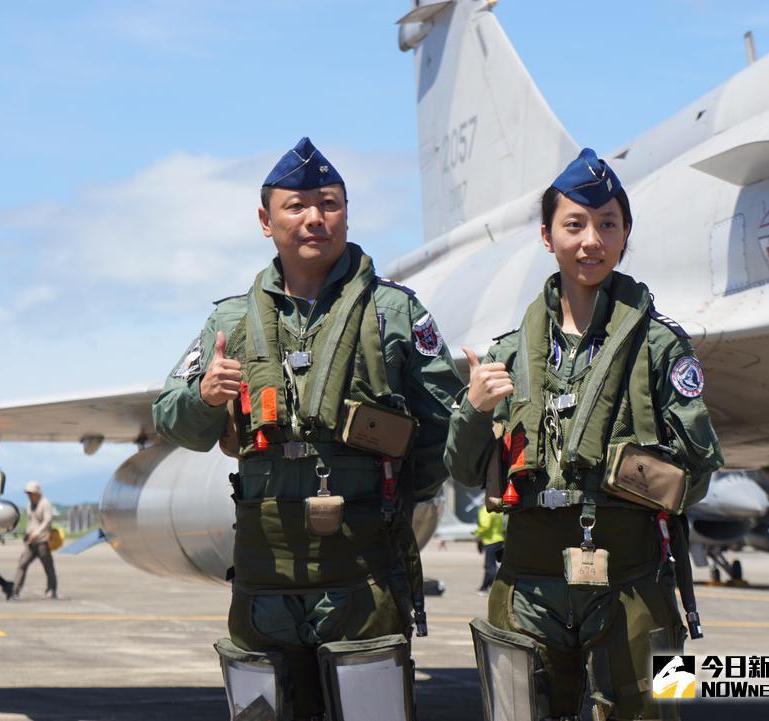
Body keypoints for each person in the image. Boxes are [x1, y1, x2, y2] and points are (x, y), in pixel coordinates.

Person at [152, 137, 465, 721]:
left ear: (347, 212)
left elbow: (442, 427)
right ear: (265, 220)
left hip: (363, 573)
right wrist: (204, 397)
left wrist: (393, 505)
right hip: (263, 577)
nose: (315, 218)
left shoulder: (394, 313)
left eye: (329, 204)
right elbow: (171, 418)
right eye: (296, 206)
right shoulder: (231, 321)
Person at [445, 148, 724, 721]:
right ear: (548, 237)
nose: (590, 240)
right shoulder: (506, 354)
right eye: (573, 225)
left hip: (634, 581)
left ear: (625, 236)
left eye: (607, 225)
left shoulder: (662, 347)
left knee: (655, 712)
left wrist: (636, 476)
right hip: (526, 583)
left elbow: (698, 471)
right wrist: (474, 409)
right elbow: (461, 468)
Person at [12, 481, 57, 599]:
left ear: (37, 493)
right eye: (28, 493)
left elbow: (47, 521)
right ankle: (15, 590)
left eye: (31, 493)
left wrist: (36, 533)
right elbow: (31, 522)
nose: (29, 495)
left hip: (42, 541)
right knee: (22, 564)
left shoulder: (45, 503)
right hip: (31, 543)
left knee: (48, 566)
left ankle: (51, 589)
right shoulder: (29, 505)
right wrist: (28, 535)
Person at [473, 505, 505, 595]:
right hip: (500, 540)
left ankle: (486, 588)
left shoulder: (485, 509)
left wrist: (477, 535)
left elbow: (485, 525)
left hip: (490, 541)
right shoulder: (500, 509)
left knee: (490, 566)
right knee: (498, 565)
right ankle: (488, 587)